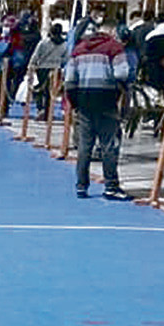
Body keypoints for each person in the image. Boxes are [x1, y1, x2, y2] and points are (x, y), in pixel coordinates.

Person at [64, 18, 133, 201]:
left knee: (84, 146)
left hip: (84, 102)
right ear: (110, 33)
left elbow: (69, 80)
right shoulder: (114, 48)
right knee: (109, 145)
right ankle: (111, 186)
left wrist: (75, 102)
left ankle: (81, 186)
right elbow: (122, 73)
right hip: (106, 100)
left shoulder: (77, 50)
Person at [28, 23, 68, 115]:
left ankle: (40, 108)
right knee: (51, 91)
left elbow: (36, 54)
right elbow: (66, 58)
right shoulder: (64, 44)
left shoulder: (44, 42)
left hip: (42, 67)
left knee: (40, 89)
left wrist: (31, 65)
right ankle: (48, 112)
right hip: (56, 68)